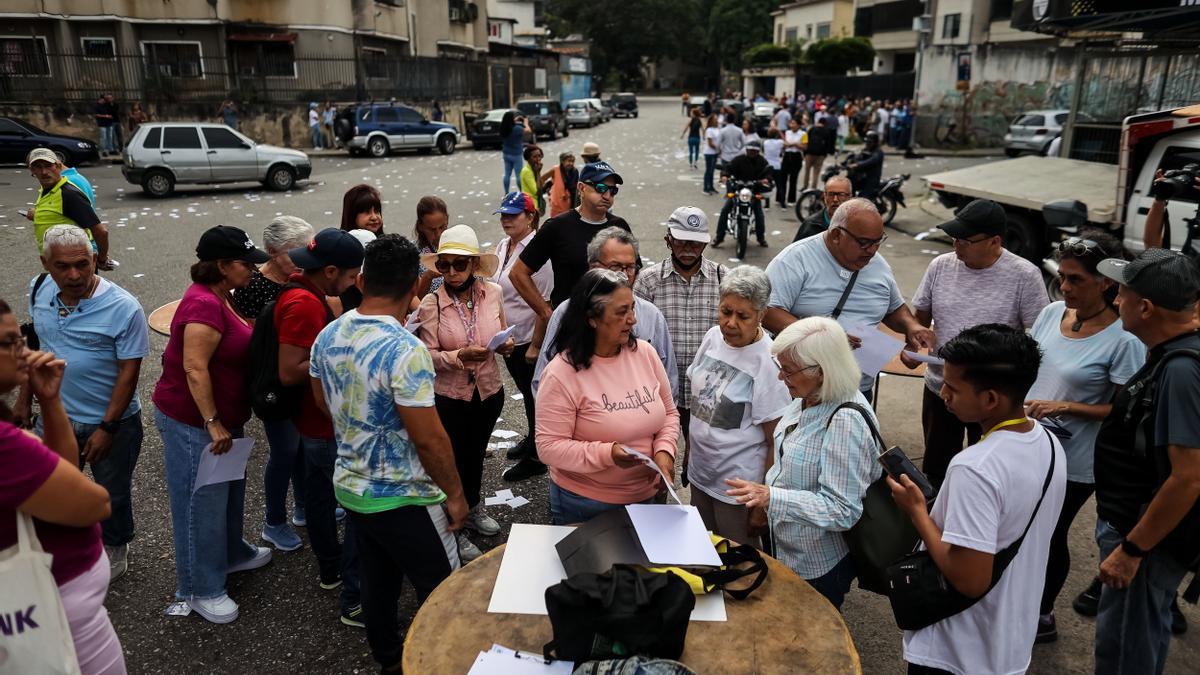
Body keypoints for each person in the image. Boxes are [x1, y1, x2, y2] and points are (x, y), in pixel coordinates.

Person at [308, 234, 466, 673]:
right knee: (445, 591)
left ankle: (390, 660)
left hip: (353, 488)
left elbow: (323, 400)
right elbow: (430, 439)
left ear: (360, 279)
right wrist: (455, 495)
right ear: (415, 287)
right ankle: (442, 662)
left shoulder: (329, 334)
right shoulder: (405, 349)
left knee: (378, 581)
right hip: (406, 496)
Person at [889, 324, 1066, 675]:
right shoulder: (1048, 441)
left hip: (958, 649)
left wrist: (918, 513)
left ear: (990, 399)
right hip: (1008, 636)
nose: (943, 395)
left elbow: (970, 579)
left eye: (952, 388)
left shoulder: (975, 467)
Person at [1022, 231, 1145, 643]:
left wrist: (1066, 407)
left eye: (1077, 280)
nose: (1065, 287)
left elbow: (1125, 411)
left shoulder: (1124, 340)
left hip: (1075, 461)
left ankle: (1041, 615)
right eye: (1064, 277)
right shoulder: (1051, 312)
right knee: (1019, 528)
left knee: (1050, 535)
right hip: (1027, 443)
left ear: (1107, 283)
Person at [151, 226, 274, 624]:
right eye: (245, 263)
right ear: (222, 266)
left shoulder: (225, 295)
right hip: (194, 423)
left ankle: (230, 553)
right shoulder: (203, 304)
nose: (253, 270)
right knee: (198, 503)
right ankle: (199, 588)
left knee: (227, 494)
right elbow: (194, 366)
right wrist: (212, 421)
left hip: (223, 421)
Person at [0, 298, 127, 675]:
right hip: (49, 612)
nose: (24, 350)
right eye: (10, 342)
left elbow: (63, 470)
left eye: (21, 337)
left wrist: (50, 400)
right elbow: (95, 503)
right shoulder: (6, 447)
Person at [17, 225, 148, 584]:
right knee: (53, 487)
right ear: (46, 263)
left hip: (110, 423)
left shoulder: (124, 307)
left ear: (95, 259)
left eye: (82, 264)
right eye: (62, 266)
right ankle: (66, 545)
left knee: (111, 494)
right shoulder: (40, 288)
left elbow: (129, 372)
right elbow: (37, 344)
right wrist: (26, 397)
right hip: (55, 416)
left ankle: (114, 548)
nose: (73, 275)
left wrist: (107, 427)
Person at [1090, 249, 1200, 675]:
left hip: (1146, 539)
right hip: (1142, 531)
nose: (1116, 300)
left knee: (1125, 651)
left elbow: (1188, 478)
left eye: (1122, 293)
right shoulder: (1174, 350)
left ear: (1146, 307)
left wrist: (1131, 550)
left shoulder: (1182, 371)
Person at [725, 316, 879, 608]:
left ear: (822, 371)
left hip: (815, 564)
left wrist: (771, 497)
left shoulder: (846, 420)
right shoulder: (808, 395)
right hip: (787, 547)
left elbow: (842, 509)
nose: (781, 377)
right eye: (780, 367)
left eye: (789, 370)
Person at [908, 199, 1049, 488]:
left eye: (965, 240)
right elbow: (919, 317)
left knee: (986, 472)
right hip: (941, 387)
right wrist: (914, 342)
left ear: (995, 241)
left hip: (990, 398)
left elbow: (1040, 336)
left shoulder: (1024, 276)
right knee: (936, 468)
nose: (956, 245)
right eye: (954, 238)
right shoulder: (940, 267)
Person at [536, 269, 680, 524]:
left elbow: (669, 413)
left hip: (648, 496)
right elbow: (548, 448)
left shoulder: (645, 353)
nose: (633, 320)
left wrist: (664, 452)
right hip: (586, 503)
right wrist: (608, 454)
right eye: (622, 312)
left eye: (632, 309)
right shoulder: (561, 373)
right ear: (592, 319)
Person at [275, 228, 364, 626]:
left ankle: (329, 568)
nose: (352, 284)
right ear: (330, 271)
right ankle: (350, 585)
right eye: (349, 276)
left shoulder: (303, 293)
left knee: (318, 498)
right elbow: (290, 371)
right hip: (320, 421)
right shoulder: (305, 305)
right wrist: (340, 354)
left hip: (311, 422)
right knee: (349, 503)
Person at [764, 198, 934, 399]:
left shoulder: (878, 265)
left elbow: (894, 308)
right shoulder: (794, 260)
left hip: (857, 390)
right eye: (864, 243)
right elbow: (768, 312)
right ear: (836, 234)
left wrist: (910, 326)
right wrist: (826, 337)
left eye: (878, 242)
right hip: (802, 390)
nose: (872, 250)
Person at [416, 225, 515, 562]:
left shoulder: (494, 293)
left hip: (488, 392)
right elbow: (424, 355)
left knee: (474, 457)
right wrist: (456, 357)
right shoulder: (432, 304)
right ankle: (452, 528)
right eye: (444, 265)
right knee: (451, 462)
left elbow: (500, 332)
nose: (452, 273)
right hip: (449, 397)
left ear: (474, 265)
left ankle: (471, 509)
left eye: (460, 265)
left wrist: (506, 346)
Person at [687, 266, 790, 546]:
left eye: (742, 316)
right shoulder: (712, 337)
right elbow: (697, 404)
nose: (730, 323)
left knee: (738, 568)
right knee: (701, 553)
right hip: (701, 474)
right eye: (725, 311)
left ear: (761, 314)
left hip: (738, 491)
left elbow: (775, 441)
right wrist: (689, 454)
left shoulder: (768, 363)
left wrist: (760, 503)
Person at [230, 217, 315, 553]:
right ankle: (273, 521)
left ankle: (303, 507)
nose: (304, 258)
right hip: (273, 382)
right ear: (271, 252)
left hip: (299, 377)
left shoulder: (300, 278)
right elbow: (250, 339)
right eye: (296, 251)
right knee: (284, 451)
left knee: (302, 449)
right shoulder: (253, 286)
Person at [533, 227, 679, 404]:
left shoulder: (651, 315)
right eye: (615, 267)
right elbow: (542, 380)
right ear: (592, 267)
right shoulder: (565, 313)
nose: (624, 275)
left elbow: (668, 378)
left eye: (630, 267)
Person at [509, 162, 632, 360]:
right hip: (571, 328)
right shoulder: (557, 227)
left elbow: (632, 274)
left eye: (613, 190)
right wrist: (547, 313)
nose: (607, 195)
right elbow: (518, 273)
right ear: (582, 188)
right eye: (600, 188)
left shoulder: (619, 226)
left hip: (611, 326)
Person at [634, 207, 727, 457]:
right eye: (681, 240)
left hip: (709, 391)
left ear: (705, 244)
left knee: (707, 456)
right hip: (660, 388)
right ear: (668, 240)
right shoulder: (648, 281)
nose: (688, 248)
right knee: (656, 455)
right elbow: (634, 335)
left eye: (696, 243)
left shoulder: (723, 279)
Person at [489, 192, 554, 482]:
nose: (506, 220)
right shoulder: (504, 245)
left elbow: (545, 302)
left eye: (513, 215)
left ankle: (539, 456)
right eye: (503, 214)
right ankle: (533, 439)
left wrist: (537, 345)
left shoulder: (539, 249)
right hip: (509, 337)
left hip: (528, 337)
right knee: (528, 395)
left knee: (534, 396)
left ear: (530, 217)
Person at [25, 148, 111, 270]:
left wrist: (101, 259)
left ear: (59, 166)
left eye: (49, 165)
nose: (44, 171)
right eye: (38, 167)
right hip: (58, 265)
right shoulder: (47, 190)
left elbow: (101, 232)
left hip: (74, 267)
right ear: (32, 171)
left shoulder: (68, 194)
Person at [713, 139, 771, 248]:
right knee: (725, 210)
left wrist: (767, 179)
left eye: (754, 151)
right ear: (746, 150)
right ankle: (719, 237)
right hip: (737, 191)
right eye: (749, 150)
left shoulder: (762, 162)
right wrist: (725, 175)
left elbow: (768, 173)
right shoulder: (739, 160)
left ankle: (761, 238)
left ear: (758, 152)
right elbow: (728, 168)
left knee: (759, 214)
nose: (751, 152)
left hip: (753, 192)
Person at [412, 195, 450, 300]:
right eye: (432, 230)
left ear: (447, 221)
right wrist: (427, 277)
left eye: (442, 227)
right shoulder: (412, 255)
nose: (438, 234)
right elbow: (412, 300)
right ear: (421, 226)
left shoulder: (458, 246)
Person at [794, 175, 853, 242]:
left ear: (850, 197)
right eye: (831, 194)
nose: (835, 199)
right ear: (824, 196)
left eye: (841, 194)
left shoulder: (859, 224)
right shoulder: (811, 224)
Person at [500, 111, 532, 194]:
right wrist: (526, 122)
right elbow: (528, 131)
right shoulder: (517, 129)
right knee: (519, 175)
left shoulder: (503, 128)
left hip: (506, 154)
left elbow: (509, 123)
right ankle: (521, 192)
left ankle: (506, 192)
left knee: (507, 174)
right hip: (516, 154)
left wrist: (515, 120)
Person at [848, 131, 885, 199]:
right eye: (867, 142)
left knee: (863, 199)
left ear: (875, 142)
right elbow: (859, 156)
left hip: (871, 179)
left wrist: (857, 165)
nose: (867, 144)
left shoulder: (878, 152)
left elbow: (871, 160)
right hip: (863, 177)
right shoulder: (867, 150)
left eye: (869, 142)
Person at [803, 117, 836, 191]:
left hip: (809, 153)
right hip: (820, 155)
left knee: (807, 171)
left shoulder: (812, 129)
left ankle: (805, 187)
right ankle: (813, 188)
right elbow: (828, 144)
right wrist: (825, 154)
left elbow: (806, 139)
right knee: (816, 173)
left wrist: (805, 152)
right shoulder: (826, 131)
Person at [781, 117, 806, 206]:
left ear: (799, 125)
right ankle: (781, 198)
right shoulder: (787, 132)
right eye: (791, 123)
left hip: (796, 157)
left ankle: (791, 200)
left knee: (793, 179)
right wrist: (786, 145)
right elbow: (784, 144)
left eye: (794, 123)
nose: (792, 125)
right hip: (787, 156)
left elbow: (804, 147)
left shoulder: (803, 134)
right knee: (783, 177)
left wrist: (794, 144)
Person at [546, 152, 578, 218]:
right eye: (569, 161)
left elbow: (575, 188)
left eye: (573, 161)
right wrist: (548, 191)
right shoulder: (555, 169)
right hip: (557, 203)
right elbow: (543, 179)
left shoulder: (575, 171)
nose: (571, 163)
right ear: (562, 161)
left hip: (570, 202)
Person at [763, 128, 785, 207]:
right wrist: (780, 132)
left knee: (767, 185)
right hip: (777, 166)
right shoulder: (780, 142)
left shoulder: (766, 142)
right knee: (780, 185)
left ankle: (767, 204)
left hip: (768, 166)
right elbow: (785, 142)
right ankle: (783, 204)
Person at [702, 113, 722, 195]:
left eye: (717, 119)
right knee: (708, 171)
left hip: (715, 153)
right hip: (709, 153)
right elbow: (710, 143)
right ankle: (706, 188)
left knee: (712, 171)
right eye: (715, 119)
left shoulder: (717, 129)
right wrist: (718, 148)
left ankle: (711, 187)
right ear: (711, 121)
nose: (717, 120)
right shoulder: (709, 130)